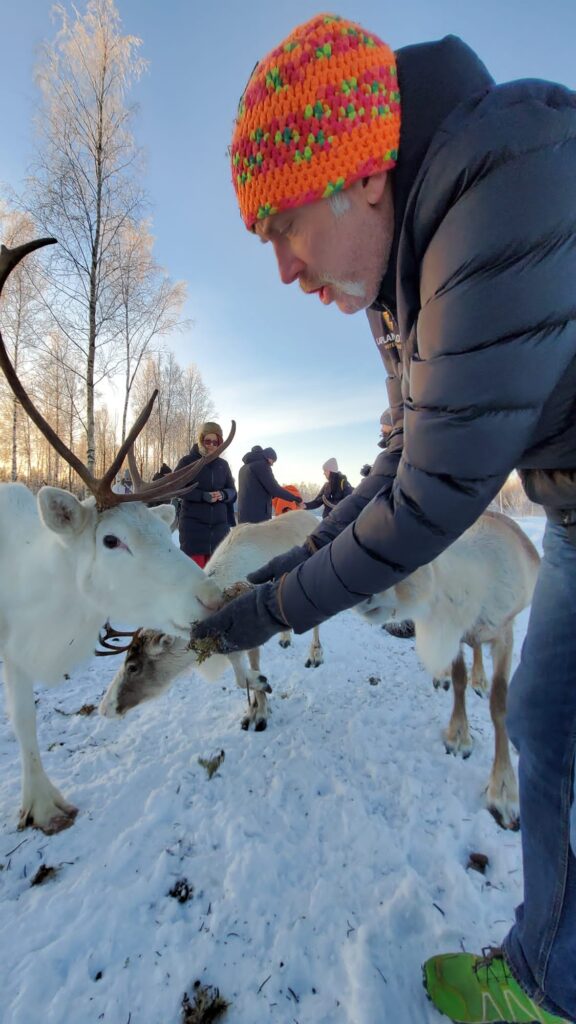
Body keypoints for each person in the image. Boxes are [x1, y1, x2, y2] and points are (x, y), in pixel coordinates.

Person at [191, 14, 576, 1023]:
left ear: (361, 174)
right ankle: (551, 976)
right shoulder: (402, 285)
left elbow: (428, 501)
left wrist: (261, 615)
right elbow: (393, 464)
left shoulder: (501, 196)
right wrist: (284, 568)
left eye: (282, 225)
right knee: (541, 716)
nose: (280, 269)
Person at [174, 422, 236, 567]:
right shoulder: (187, 461)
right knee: (195, 576)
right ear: (201, 440)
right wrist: (202, 496)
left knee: (216, 576)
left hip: (219, 530)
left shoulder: (223, 465)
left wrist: (223, 494)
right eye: (208, 441)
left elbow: (233, 492)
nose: (212, 445)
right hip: (194, 529)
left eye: (216, 442)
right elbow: (177, 487)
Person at [237, 445, 303, 523]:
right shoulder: (262, 465)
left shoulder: (243, 468)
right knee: (260, 535)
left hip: (243, 513)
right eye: (273, 461)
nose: (272, 464)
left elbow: (256, 489)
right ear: (268, 457)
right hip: (258, 515)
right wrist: (295, 498)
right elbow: (274, 489)